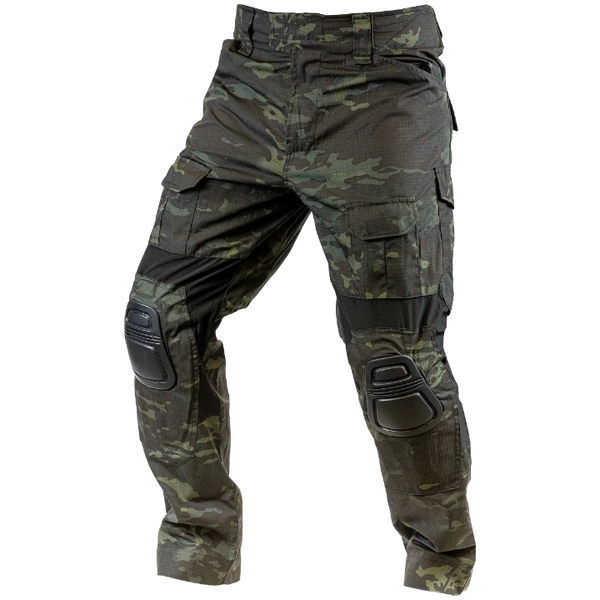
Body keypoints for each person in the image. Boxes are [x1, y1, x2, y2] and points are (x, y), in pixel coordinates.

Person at [122, 2, 477, 594]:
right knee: (159, 315)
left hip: (379, 84)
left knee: (395, 359)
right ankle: (196, 551)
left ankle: (439, 570)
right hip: (250, 74)